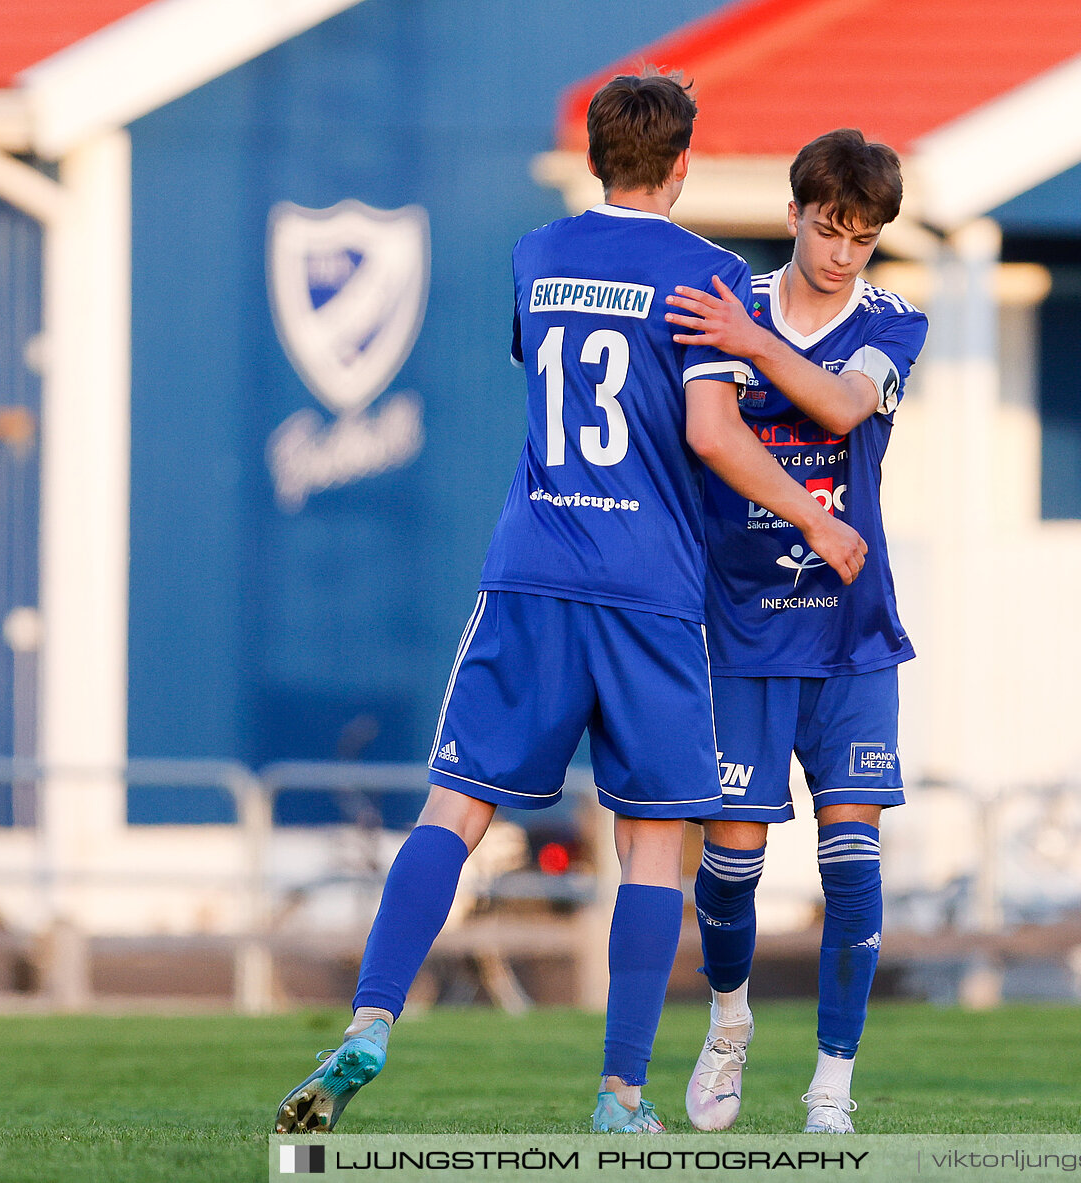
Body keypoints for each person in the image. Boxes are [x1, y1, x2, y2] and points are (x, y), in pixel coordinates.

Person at [273, 71, 866, 1137]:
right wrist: (817, 520)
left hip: (532, 572)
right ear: (685, 163)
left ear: (595, 159)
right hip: (647, 591)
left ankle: (368, 1020)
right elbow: (712, 434)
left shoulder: (537, 255)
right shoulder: (706, 275)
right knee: (650, 842)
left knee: (454, 809)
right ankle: (621, 1095)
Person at [663, 128, 927, 1134]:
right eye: (829, 229)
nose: (843, 253)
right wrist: (742, 339)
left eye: (863, 237)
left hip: (853, 634)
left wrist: (755, 346)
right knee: (730, 860)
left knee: (852, 862)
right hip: (741, 631)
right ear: (794, 215)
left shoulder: (893, 321)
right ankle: (729, 1023)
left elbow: (841, 402)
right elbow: (710, 430)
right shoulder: (723, 304)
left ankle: (831, 1087)